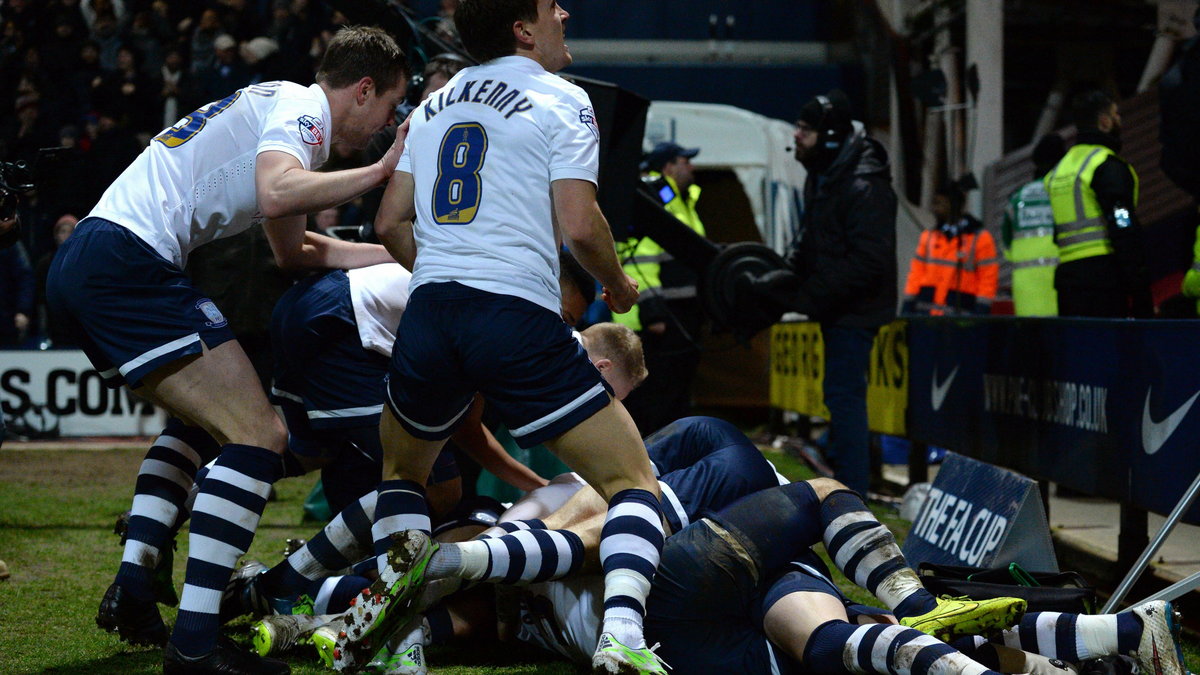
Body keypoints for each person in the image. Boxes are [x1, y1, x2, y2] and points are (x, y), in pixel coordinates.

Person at [45, 25, 411, 675]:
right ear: (363, 90)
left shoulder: (285, 114)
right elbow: (276, 192)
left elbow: (293, 250)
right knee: (259, 434)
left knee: (202, 425)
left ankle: (138, 586)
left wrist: (401, 251)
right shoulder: (302, 109)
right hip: (128, 262)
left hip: (94, 261)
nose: (389, 125)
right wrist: (383, 173)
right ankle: (195, 640)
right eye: (390, 108)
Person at [359, 2, 670, 673]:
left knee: (403, 476)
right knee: (633, 481)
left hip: (432, 310)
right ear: (523, 30)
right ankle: (621, 635)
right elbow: (581, 225)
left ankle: (399, 643)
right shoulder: (563, 99)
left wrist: (449, 272)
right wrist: (617, 283)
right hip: (513, 316)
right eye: (550, 5)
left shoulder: (436, 103)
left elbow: (389, 219)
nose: (565, 11)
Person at [748, 90, 897, 498]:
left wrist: (807, 296)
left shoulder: (862, 183)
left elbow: (869, 261)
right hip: (840, 304)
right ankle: (851, 483)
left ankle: (852, 496)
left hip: (857, 309)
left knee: (844, 396)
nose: (796, 135)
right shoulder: (827, 173)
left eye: (806, 129)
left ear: (830, 135)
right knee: (841, 396)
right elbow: (811, 240)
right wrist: (783, 278)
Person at [615, 141, 707, 435]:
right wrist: (653, 312)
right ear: (668, 166)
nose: (690, 167)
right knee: (655, 400)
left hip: (680, 316)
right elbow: (639, 259)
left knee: (675, 397)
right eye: (685, 161)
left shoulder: (681, 202)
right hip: (657, 320)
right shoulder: (656, 201)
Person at [1046, 89, 1152, 318]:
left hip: (1068, 279)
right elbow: (1122, 221)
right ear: (1104, 122)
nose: (1119, 121)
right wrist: (1139, 284)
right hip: (1104, 279)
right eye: (1116, 115)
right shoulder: (1106, 164)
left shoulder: (1058, 171)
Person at [902, 183, 999, 316]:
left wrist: (981, 311)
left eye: (939, 203)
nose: (934, 209)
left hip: (962, 315)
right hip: (926, 314)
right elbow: (916, 274)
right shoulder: (929, 237)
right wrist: (907, 306)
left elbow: (988, 279)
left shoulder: (980, 238)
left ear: (954, 205)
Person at [1003, 134, 1066, 316]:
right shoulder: (1065, 192)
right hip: (1061, 288)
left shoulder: (1017, 198)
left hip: (1026, 293)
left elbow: (1007, 248)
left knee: (1031, 342)